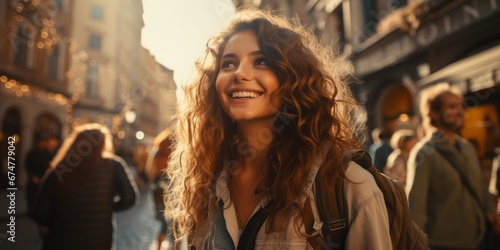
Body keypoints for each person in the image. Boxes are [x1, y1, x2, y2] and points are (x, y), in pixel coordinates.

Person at [164, 9, 391, 249]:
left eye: (261, 61)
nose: (239, 73)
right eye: (228, 63)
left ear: (292, 78)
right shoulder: (206, 182)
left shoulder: (346, 184)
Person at [406, 83, 500, 249]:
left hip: (481, 238)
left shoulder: (467, 147)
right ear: (433, 113)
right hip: (446, 244)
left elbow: (479, 185)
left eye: (460, 106)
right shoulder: (423, 153)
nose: (460, 111)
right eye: (452, 106)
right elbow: (416, 208)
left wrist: (490, 209)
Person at [31, 123, 139, 250]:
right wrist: (107, 207)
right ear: (104, 144)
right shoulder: (114, 165)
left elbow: (39, 213)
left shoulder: (59, 169)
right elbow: (130, 197)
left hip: (60, 240)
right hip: (98, 242)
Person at [145, 128, 174, 250]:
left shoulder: (156, 150)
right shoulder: (174, 151)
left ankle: (158, 246)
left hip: (157, 189)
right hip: (171, 186)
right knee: (172, 222)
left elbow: (149, 169)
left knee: (162, 221)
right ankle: (172, 245)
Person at [25, 134, 59, 212]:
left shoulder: (47, 154)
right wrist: (32, 176)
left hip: (44, 180)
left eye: (43, 142)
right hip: (33, 180)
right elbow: (27, 166)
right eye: (40, 142)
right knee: (31, 196)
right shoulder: (31, 153)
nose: (42, 144)